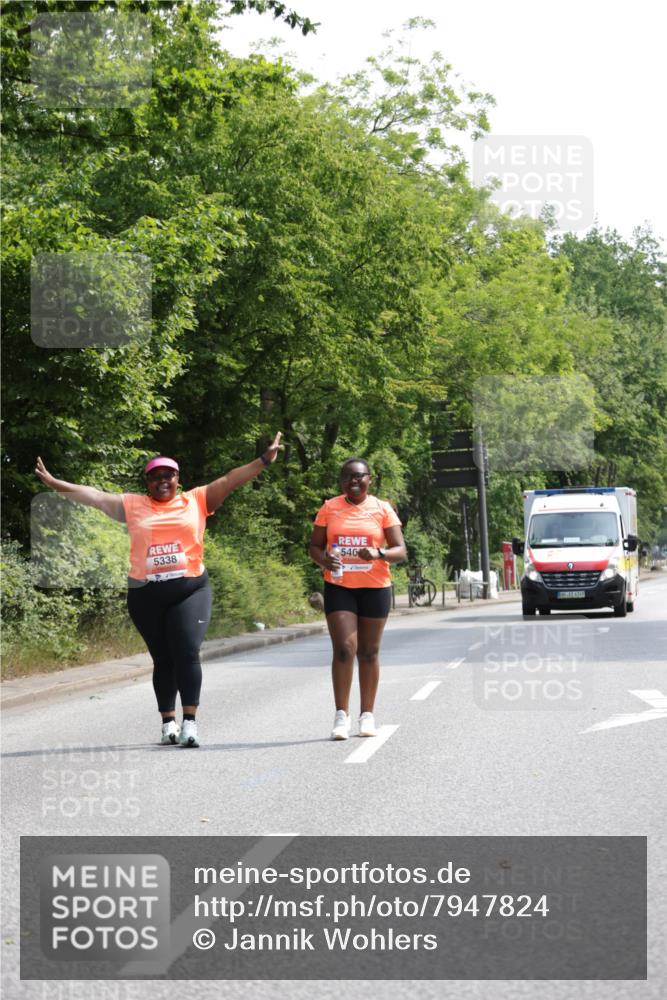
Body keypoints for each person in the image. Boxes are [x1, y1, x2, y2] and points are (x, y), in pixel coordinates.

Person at [34, 433, 282, 748]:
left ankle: (190, 722)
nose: (163, 481)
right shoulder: (132, 505)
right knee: (163, 659)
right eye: (155, 477)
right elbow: (93, 496)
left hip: (190, 589)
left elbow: (231, 479)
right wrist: (56, 483)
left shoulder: (197, 499)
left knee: (187, 652)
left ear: (179, 478)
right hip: (146, 595)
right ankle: (168, 724)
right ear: (147, 482)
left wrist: (263, 460)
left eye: (169, 475)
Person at [308, 458, 406, 740]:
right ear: (341, 482)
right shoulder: (329, 508)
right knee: (344, 648)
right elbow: (314, 546)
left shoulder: (382, 509)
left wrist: (378, 554)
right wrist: (324, 559)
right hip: (340, 586)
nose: (353, 480)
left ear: (369, 479)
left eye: (359, 476)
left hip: (375, 587)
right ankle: (341, 715)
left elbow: (400, 550)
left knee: (369, 652)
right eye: (347, 476)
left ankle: (367, 715)